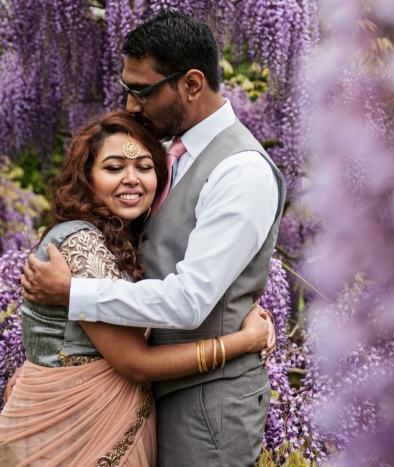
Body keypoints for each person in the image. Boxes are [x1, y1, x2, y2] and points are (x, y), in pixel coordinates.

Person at [20, 10, 287, 467]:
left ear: (191, 84)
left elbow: (190, 301)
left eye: (141, 90)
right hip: (138, 399)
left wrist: (72, 292)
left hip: (208, 407)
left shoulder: (240, 170)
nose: (130, 105)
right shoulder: (163, 155)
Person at [0, 112, 273, 466]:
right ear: (86, 177)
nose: (131, 180)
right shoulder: (83, 244)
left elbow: (175, 289)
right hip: (71, 434)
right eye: (114, 168)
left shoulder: (121, 241)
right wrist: (243, 342)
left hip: (111, 426)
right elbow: (137, 363)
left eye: (144, 167)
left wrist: (239, 304)